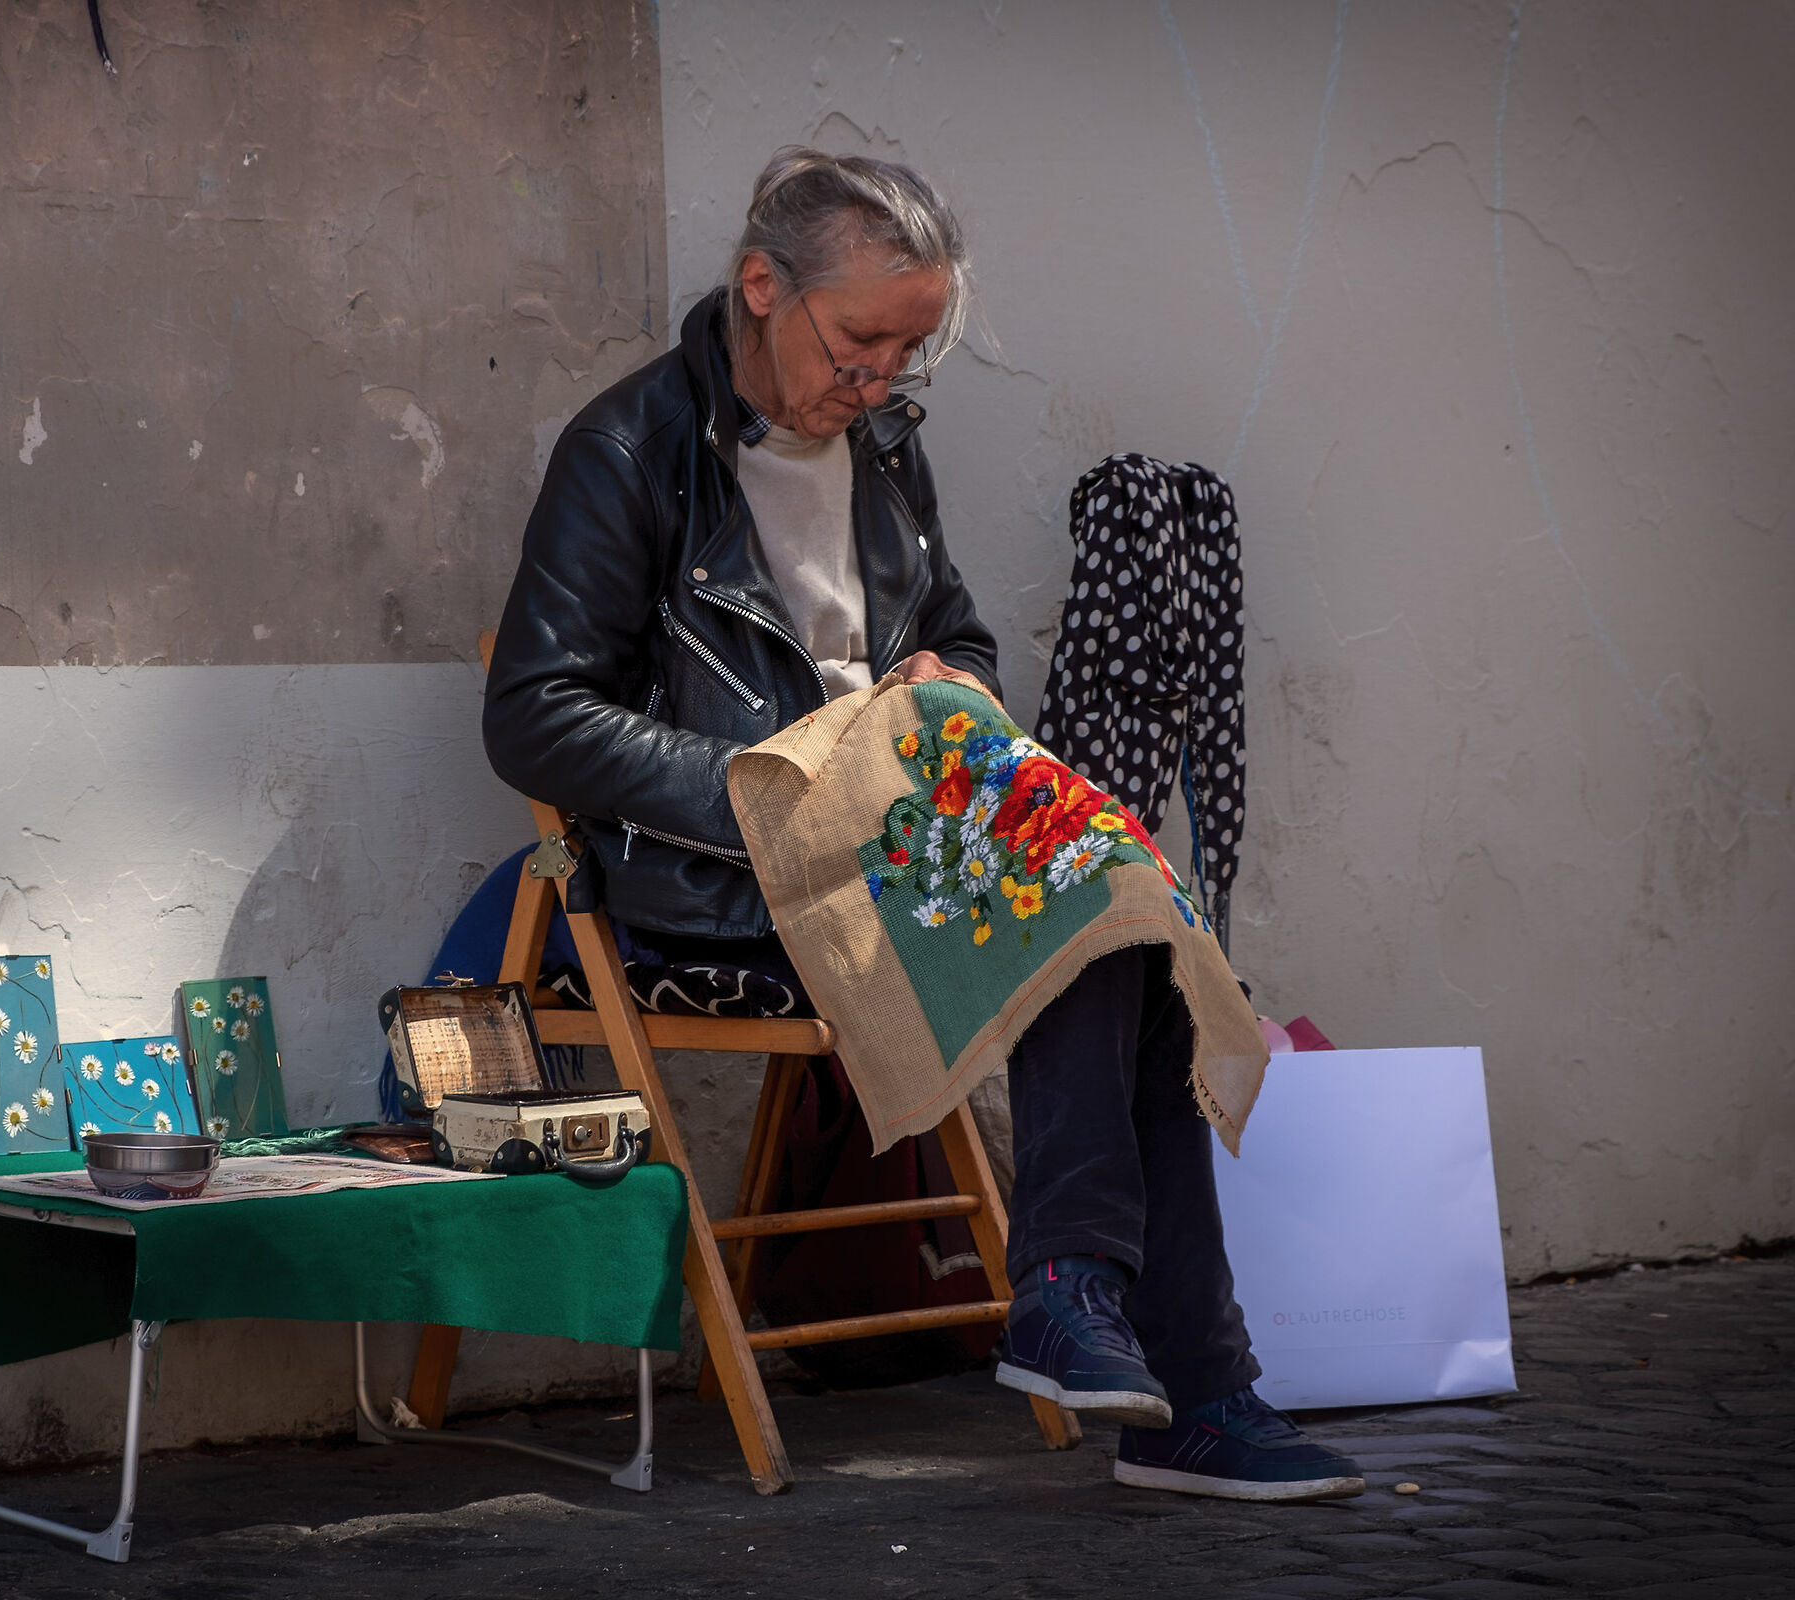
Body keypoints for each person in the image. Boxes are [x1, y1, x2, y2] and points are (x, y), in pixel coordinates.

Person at [482, 147, 1362, 1503]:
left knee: (1124, 908)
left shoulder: (885, 445)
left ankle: (1088, 1303)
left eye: (909, 349)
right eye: (859, 341)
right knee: (1092, 911)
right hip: (730, 878)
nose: (880, 379)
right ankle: (1177, 1378)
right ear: (762, 287)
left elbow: (952, 631)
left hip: (907, 840)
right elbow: (535, 716)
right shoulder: (631, 450)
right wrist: (766, 786)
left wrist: (953, 680)